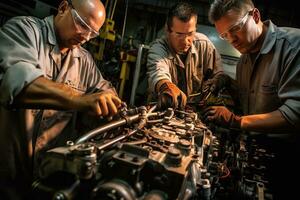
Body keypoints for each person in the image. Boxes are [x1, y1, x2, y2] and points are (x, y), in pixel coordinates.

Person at [0, 0, 122, 199]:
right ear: (64, 7)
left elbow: (105, 91)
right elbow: (19, 84)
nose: (85, 37)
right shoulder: (24, 30)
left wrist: (114, 104)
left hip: (49, 177)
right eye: (82, 24)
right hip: (8, 172)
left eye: (92, 33)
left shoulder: (85, 61)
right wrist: (81, 99)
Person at [206, 0, 300, 199]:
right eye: (225, 35)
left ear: (255, 16)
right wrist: (226, 82)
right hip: (256, 153)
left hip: (290, 160)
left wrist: (237, 121)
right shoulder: (244, 60)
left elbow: (295, 114)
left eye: (235, 29)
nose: (232, 40)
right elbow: (248, 100)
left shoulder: (293, 47)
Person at [147, 2, 228, 110]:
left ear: (195, 29)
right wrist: (165, 85)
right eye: (179, 34)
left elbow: (219, 74)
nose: (186, 41)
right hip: (163, 111)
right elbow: (157, 71)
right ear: (168, 30)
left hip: (193, 113)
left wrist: (218, 81)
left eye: (190, 33)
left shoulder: (204, 45)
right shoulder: (158, 48)